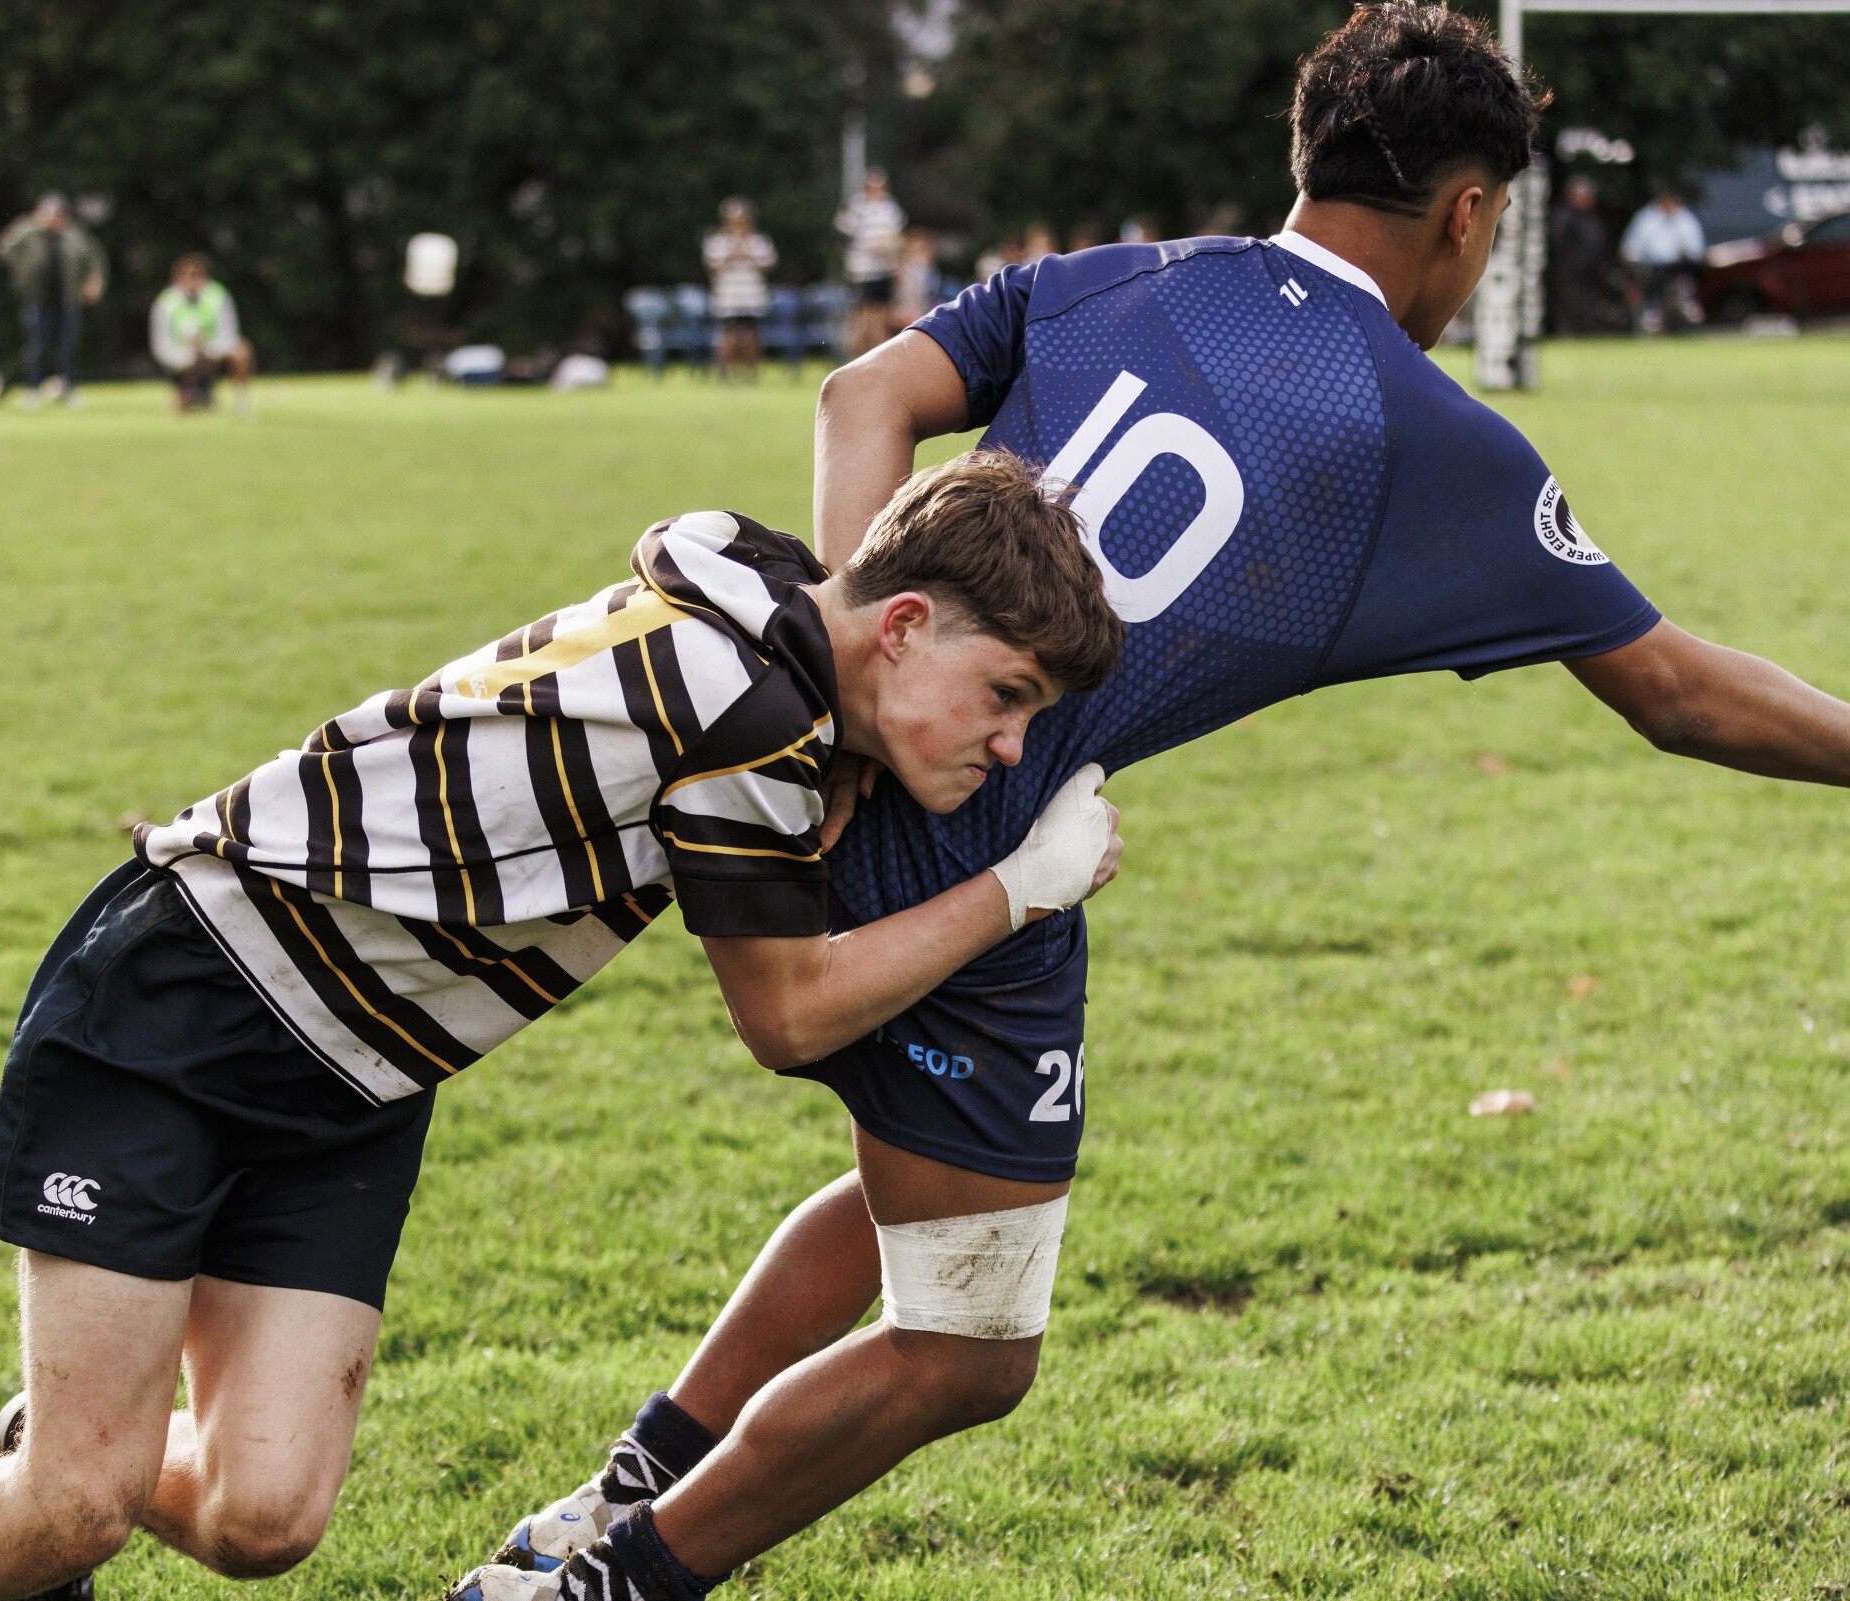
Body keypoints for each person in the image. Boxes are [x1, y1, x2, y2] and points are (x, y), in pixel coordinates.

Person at [455, 9, 1850, 1601]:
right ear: (1470, 214)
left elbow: (861, 395)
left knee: (930, 1195)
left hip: (824, 769)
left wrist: (848, 699)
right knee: (967, 1343)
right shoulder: (1428, 436)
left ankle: (623, 1489)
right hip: (976, 837)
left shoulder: (1121, 275)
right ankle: (594, 1586)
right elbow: (1678, 692)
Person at [0, 450, 1133, 1601]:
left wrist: (858, 749)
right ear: (902, 625)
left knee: (261, 1520)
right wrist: (1023, 886)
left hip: (360, 1080)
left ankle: (57, 1438)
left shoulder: (761, 598)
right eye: (1007, 695)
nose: (1012, 744)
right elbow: (792, 1015)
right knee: (78, 1508)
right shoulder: (750, 722)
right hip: (189, 1000)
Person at [0, 192, 107, 408]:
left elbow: (95, 259)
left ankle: (69, 389)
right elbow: (2, 250)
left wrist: (95, 280)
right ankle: (32, 389)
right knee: (35, 347)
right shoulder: (29, 232)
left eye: (58, 214)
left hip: (68, 299)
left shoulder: (74, 235)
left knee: (68, 347)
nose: (54, 219)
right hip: (37, 299)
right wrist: (22, 267)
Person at [148, 253, 254, 415]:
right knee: (186, 409)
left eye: (198, 274)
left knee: (241, 350)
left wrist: (208, 349)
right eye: (189, 275)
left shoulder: (217, 295)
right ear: (178, 277)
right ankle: (190, 393)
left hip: (211, 355)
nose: (194, 280)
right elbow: (160, 345)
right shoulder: (166, 302)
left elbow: (230, 334)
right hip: (181, 361)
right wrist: (187, 356)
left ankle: (241, 400)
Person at [702, 198, 778, 383]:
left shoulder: (758, 241)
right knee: (728, 335)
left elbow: (768, 263)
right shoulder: (718, 241)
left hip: (752, 296)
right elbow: (713, 265)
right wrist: (734, 252)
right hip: (728, 296)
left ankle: (751, 372)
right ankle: (724, 372)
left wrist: (746, 252)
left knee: (752, 334)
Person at [835, 168, 904, 358]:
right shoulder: (857, 207)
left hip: (883, 269)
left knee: (881, 317)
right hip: (863, 271)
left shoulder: (890, 208)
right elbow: (846, 231)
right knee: (862, 318)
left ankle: (877, 358)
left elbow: (896, 237)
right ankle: (856, 358)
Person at [1620, 188, 1706, 333]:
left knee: (1690, 274)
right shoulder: (1646, 219)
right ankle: (1652, 309)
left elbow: (1696, 248)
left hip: (1679, 267)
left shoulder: (1685, 219)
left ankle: (1689, 303)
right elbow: (1631, 248)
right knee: (1650, 278)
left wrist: (1687, 254)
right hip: (1652, 267)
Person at [1550, 176, 1609, 334]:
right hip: (1570, 272)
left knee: (1588, 304)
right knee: (1571, 304)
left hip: (1591, 271)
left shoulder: (1592, 216)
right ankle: (1569, 333)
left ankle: (1587, 332)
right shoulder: (1565, 215)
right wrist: (1574, 257)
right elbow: (1559, 240)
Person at [886, 229, 939, 331]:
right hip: (904, 311)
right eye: (914, 251)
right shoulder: (902, 269)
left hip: (920, 311)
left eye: (921, 250)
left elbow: (929, 292)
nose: (918, 255)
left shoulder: (929, 271)